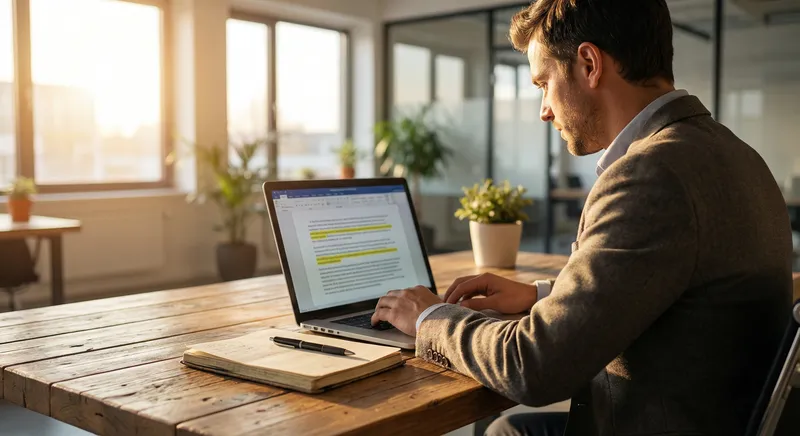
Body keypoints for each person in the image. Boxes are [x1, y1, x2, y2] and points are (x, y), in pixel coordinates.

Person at [371, 0, 795, 435]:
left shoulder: (651, 174)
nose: (544, 109)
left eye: (544, 83)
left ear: (590, 64)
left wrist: (431, 316)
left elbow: (534, 365)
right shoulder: (737, 154)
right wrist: (541, 295)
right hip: (714, 416)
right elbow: (661, 280)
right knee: (509, 430)